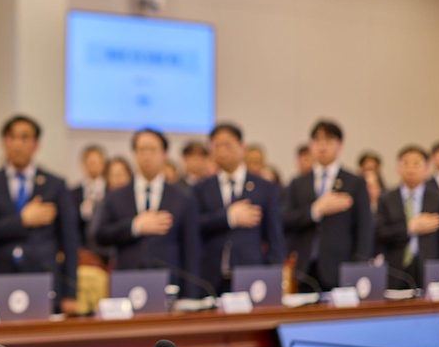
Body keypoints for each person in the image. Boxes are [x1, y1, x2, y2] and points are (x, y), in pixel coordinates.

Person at [0, 115, 79, 314]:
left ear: (36, 143)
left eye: (24, 137)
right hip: (0, 278)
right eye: (12, 138)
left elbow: (70, 242)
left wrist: (70, 293)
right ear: (4, 142)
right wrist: (22, 221)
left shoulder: (56, 185)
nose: (17, 144)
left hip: (44, 280)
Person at [95, 130, 200, 286]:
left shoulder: (182, 198)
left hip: (169, 281)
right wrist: (134, 227)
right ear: (134, 154)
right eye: (141, 150)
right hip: (127, 280)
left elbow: (191, 249)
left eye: (152, 150)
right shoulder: (115, 197)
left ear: (164, 154)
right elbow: (99, 235)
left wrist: (191, 294)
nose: (147, 156)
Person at [190, 124, 286, 295]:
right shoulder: (201, 189)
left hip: (252, 275)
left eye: (227, 145)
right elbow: (194, 226)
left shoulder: (264, 187)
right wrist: (227, 218)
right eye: (216, 146)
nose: (222, 151)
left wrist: (274, 275)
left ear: (243, 147)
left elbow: (275, 237)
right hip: (211, 277)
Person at [284, 120, 373, 290]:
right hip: (305, 269)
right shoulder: (298, 183)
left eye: (329, 141)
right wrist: (315, 210)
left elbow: (365, 227)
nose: (322, 146)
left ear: (340, 145)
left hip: (342, 266)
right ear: (311, 145)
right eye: (317, 141)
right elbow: (286, 219)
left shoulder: (354, 182)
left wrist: (359, 264)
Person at [376, 146, 439, 289]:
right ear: (398, 168)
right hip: (395, 270)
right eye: (405, 163)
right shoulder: (386, 199)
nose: (411, 168)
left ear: (426, 168)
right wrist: (409, 228)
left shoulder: (438, 199)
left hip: (430, 269)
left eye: (416, 163)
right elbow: (380, 233)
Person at [71, 145, 107, 249]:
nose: (93, 166)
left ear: (103, 164)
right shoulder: (73, 193)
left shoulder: (111, 192)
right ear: (83, 165)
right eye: (90, 162)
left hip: (104, 247)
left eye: (96, 162)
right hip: (81, 247)